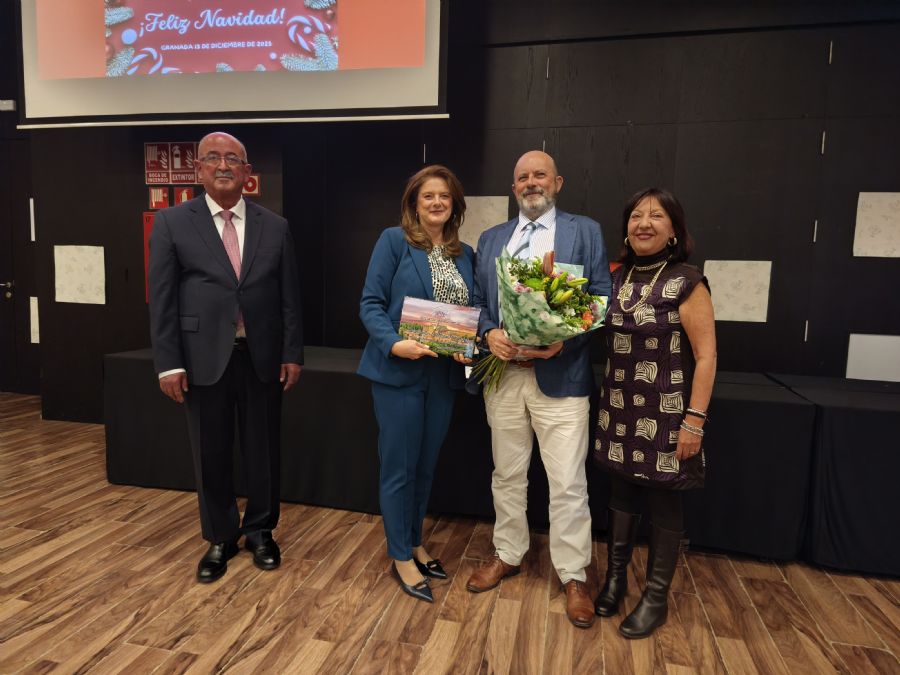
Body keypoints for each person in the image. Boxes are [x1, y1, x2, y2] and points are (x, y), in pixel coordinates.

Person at [149, 131, 303, 583]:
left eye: (232, 159)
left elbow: (289, 298)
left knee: (263, 451)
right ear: (198, 168)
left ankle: (260, 532)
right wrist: (169, 362)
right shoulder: (172, 222)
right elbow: (162, 299)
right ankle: (220, 536)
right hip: (201, 359)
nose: (223, 165)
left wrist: (292, 353)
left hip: (262, 356)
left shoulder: (275, 226)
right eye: (213, 158)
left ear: (247, 172)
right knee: (210, 451)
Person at [466, 150, 611, 628]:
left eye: (540, 175)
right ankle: (508, 553)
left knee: (567, 483)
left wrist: (562, 342)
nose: (531, 183)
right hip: (503, 376)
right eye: (523, 177)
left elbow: (600, 298)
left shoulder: (584, 231)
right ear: (514, 188)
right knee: (506, 474)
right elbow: (478, 302)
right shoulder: (491, 239)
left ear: (557, 182)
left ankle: (573, 574)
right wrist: (489, 332)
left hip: (562, 377)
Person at [593, 188, 716, 639]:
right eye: (636, 216)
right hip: (619, 406)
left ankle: (656, 598)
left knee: (665, 498)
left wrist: (694, 421)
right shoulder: (614, 276)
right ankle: (615, 580)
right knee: (621, 494)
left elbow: (706, 356)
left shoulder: (688, 281)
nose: (644, 223)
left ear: (674, 230)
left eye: (656, 216)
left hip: (668, 411)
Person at [358, 165, 475, 603]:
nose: (437, 202)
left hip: (442, 375)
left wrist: (469, 344)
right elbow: (370, 303)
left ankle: (414, 542)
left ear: (455, 204)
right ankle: (399, 554)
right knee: (399, 469)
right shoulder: (394, 241)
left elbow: (472, 311)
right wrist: (393, 344)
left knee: (424, 468)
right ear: (414, 203)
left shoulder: (466, 254)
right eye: (428, 196)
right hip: (399, 372)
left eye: (444, 196)